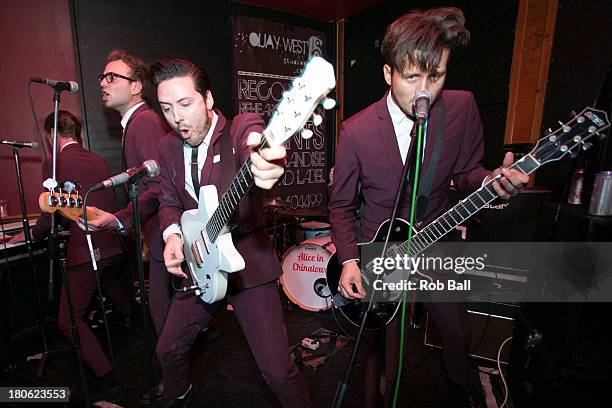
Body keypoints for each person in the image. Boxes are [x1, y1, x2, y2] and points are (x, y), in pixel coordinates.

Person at [328, 7, 529, 408]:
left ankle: (461, 391)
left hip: (437, 239)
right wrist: (350, 260)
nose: (424, 89)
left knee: (458, 333)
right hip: (381, 251)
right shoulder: (356, 130)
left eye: (435, 76)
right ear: (388, 74)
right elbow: (341, 204)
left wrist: (494, 183)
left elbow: (469, 172)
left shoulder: (461, 107)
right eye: (411, 76)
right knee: (383, 349)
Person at [149, 58, 310, 407]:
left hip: (248, 271)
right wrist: (174, 236)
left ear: (207, 99)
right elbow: (168, 201)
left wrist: (265, 155)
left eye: (185, 104)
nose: (176, 117)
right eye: (166, 108)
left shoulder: (237, 130)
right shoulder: (167, 147)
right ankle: (178, 398)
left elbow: (255, 137)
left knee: (278, 372)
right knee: (168, 350)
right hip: (200, 262)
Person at [10, 110, 130, 405]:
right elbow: (90, 202)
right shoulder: (97, 159)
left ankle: (108, 378)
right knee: (107, 276)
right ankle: (129, 317)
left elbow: (50, 212)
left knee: (68, 320)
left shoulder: (55, 162)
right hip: (115, 241)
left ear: (52, 134)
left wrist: (30, 236)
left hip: (88, 248)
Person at [83, 50, 173, 340]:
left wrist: (119, 221)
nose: (103, 84)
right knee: (164, 313)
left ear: (136, 87)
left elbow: (160, 186)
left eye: (112, 77)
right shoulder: (136, 123)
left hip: (165, 236)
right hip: (158, 235)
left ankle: (173, 381)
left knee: (164, 314)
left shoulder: (144, 122)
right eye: (102, 78)